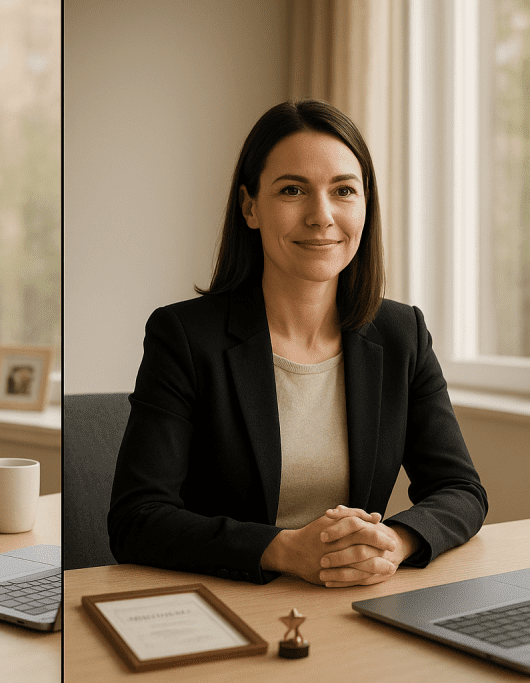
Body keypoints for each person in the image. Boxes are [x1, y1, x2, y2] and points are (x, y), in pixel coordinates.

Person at [108, 100, 488, 588]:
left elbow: (461, 490)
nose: (321, 216)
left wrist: (392, 543)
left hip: (350, 603)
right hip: (228, 602)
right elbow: (136, 519)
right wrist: (285, 549)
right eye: (292, 190)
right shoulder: (183, 337)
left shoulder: (402, 334)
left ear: (365, 205)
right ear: (250, 207)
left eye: (344, 191)